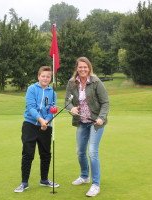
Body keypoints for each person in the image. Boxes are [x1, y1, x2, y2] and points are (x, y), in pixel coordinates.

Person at [65, 57, 109, 197]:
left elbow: (105, 102)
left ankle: (95, 184)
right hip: (81, 122)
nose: (83, 69)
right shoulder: (72, 83)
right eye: (80, 67)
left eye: (85, 67)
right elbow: (67, 101)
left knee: (92, 152)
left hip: (96, 123)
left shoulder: (96, 82)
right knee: (80, 152)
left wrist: (101, 118)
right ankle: (85, 176)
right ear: (76, 68)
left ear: (89, 68)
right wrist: (71, 108)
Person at [14, 66, 60, 193]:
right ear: (38, 76)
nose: (45, 78)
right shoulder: (32, 89)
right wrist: (41, 120)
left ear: (51, 78)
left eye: (48, 76)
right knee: (28, 154)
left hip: (46, 126)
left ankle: (44, 180)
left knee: (45, 154)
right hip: (30, 125)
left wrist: (47, 120)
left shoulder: (53, 92)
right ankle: (24, 182)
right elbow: (31, 107)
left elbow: (52, 109)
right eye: (43, 76)